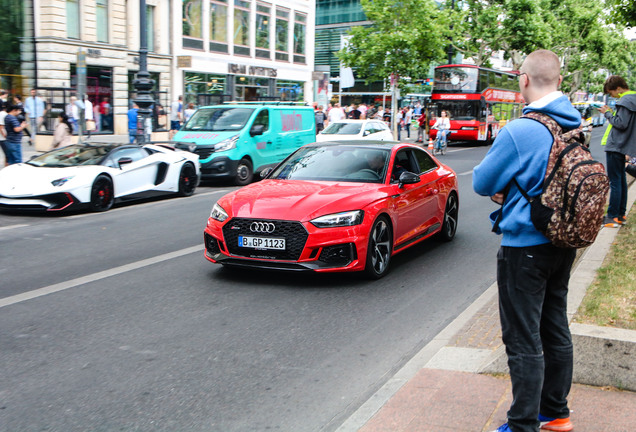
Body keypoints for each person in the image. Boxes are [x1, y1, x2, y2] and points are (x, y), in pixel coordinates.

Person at [473, 49, 581, 432]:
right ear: (560, 82)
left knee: (522, 337)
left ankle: (521, 425)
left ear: (523, 79)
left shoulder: (521, 130)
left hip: (525, 247)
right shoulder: (575, 123)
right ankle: (556, 412)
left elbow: (481, 182)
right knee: (554, 326)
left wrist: (507, 191)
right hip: (563, 241)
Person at [598, 75, 636, 228]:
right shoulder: (633, 98)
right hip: (625, 145)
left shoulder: (625, 101)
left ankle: (612, 216)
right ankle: (620, 215)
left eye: (611, 92)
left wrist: (607, 113)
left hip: (616, 145)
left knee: (615, 181)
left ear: (618, 88)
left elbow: (620, 123)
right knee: (620, 181)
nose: (611, 96)